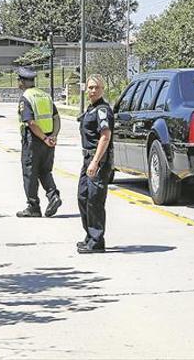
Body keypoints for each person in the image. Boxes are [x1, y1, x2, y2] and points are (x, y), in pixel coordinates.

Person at [15, 67, 62, 218]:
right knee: (45, 170)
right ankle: (53, 195)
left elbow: (31, 122)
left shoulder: (26, 97)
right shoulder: (45, 96)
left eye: (18, 80)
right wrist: (52, 137)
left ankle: (33, 206)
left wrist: (43, 138)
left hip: (34, 141)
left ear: (22, 81)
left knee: (30, 173)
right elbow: (56, 118)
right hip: (48, 141)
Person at [77, 75, 115, 253]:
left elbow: (105, 136)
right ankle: (90, 236)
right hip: (88, 160)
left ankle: (97, 240)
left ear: (102, 90)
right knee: (83, 197)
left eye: (97, 88)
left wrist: (95, 162)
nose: (93, 91)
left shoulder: (102, 110)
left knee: (94, 200)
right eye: (91, 87)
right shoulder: (91, 109)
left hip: (97, 160)